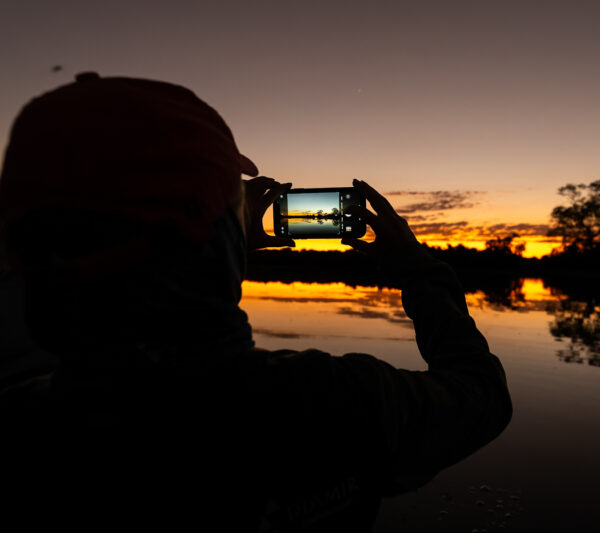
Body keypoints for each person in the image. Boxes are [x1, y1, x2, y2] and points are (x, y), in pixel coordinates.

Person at [0, 73, 512, 532]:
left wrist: (218, 245)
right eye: (231, 201)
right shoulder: (339, 402)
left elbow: (115, 312)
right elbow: (482, 395)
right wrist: (416, 270)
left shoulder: (27, 419)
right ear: (216, 235)